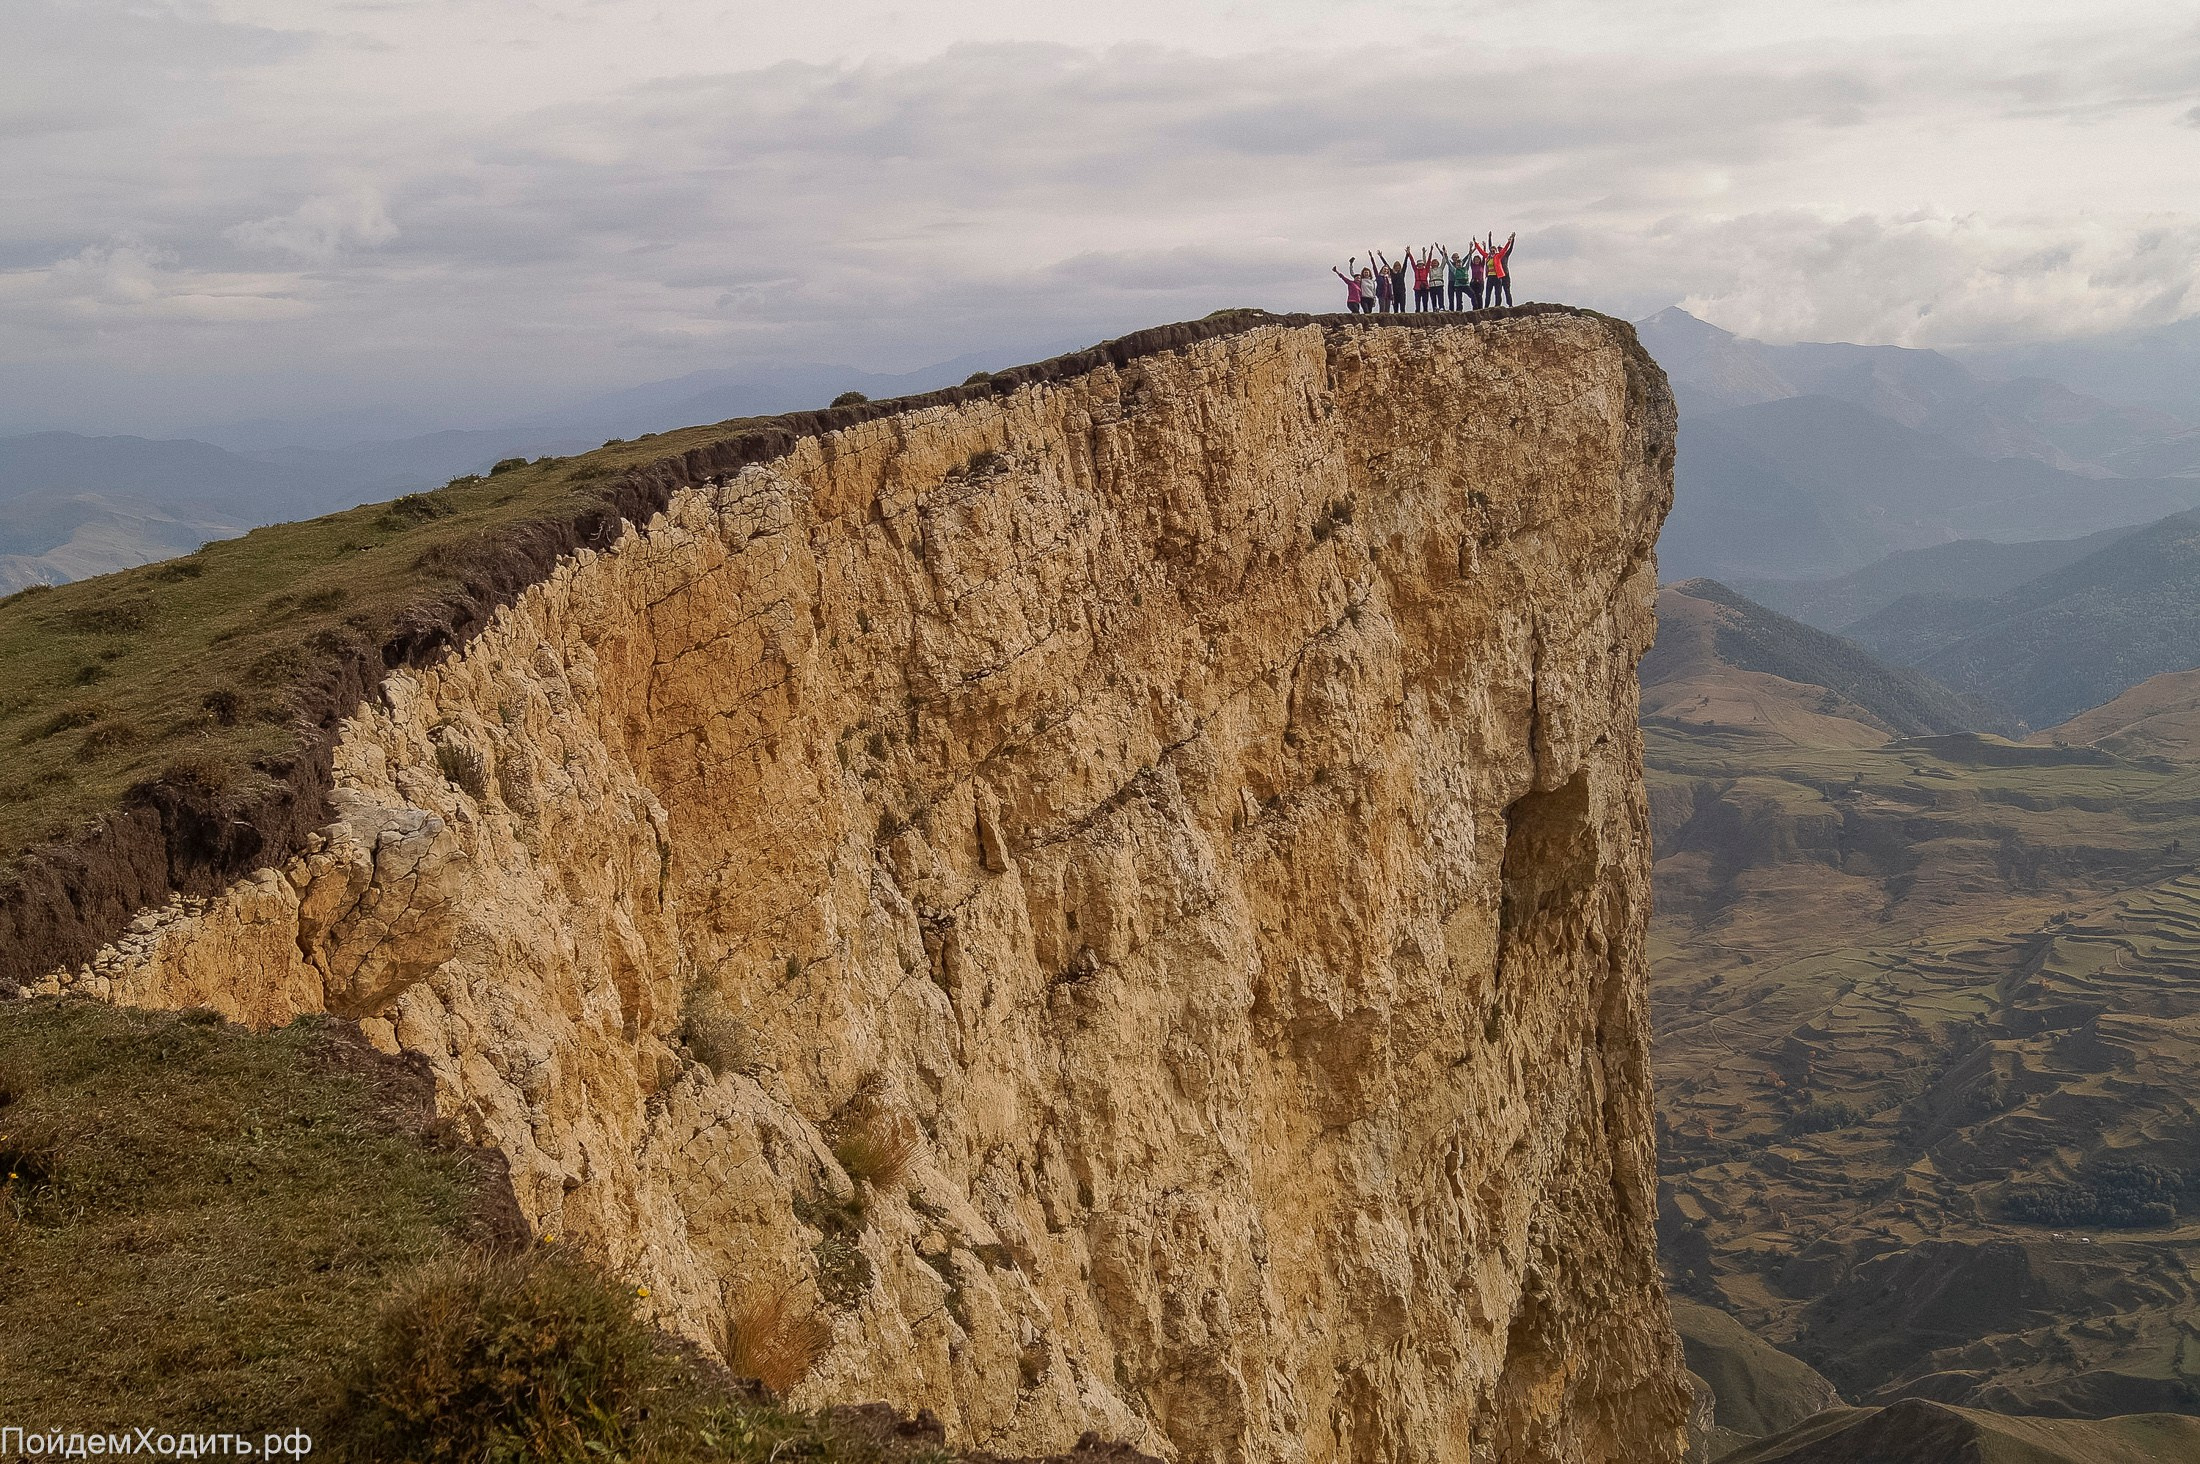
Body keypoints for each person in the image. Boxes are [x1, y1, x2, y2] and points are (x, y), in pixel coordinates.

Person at [1485, 232, 1515, 307]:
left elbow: (1510, 248)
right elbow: (1490, 248)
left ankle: (1510, 305)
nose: (1500, 249)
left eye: (1500, 248)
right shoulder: (1496, 256)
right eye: (1499, 249)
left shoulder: (1506, 255)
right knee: (1498, 292)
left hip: (1505, 275)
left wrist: (1512, 239)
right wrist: (1489, 238)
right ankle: (1498, 305)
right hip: (1498, 275)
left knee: (1507, 291)